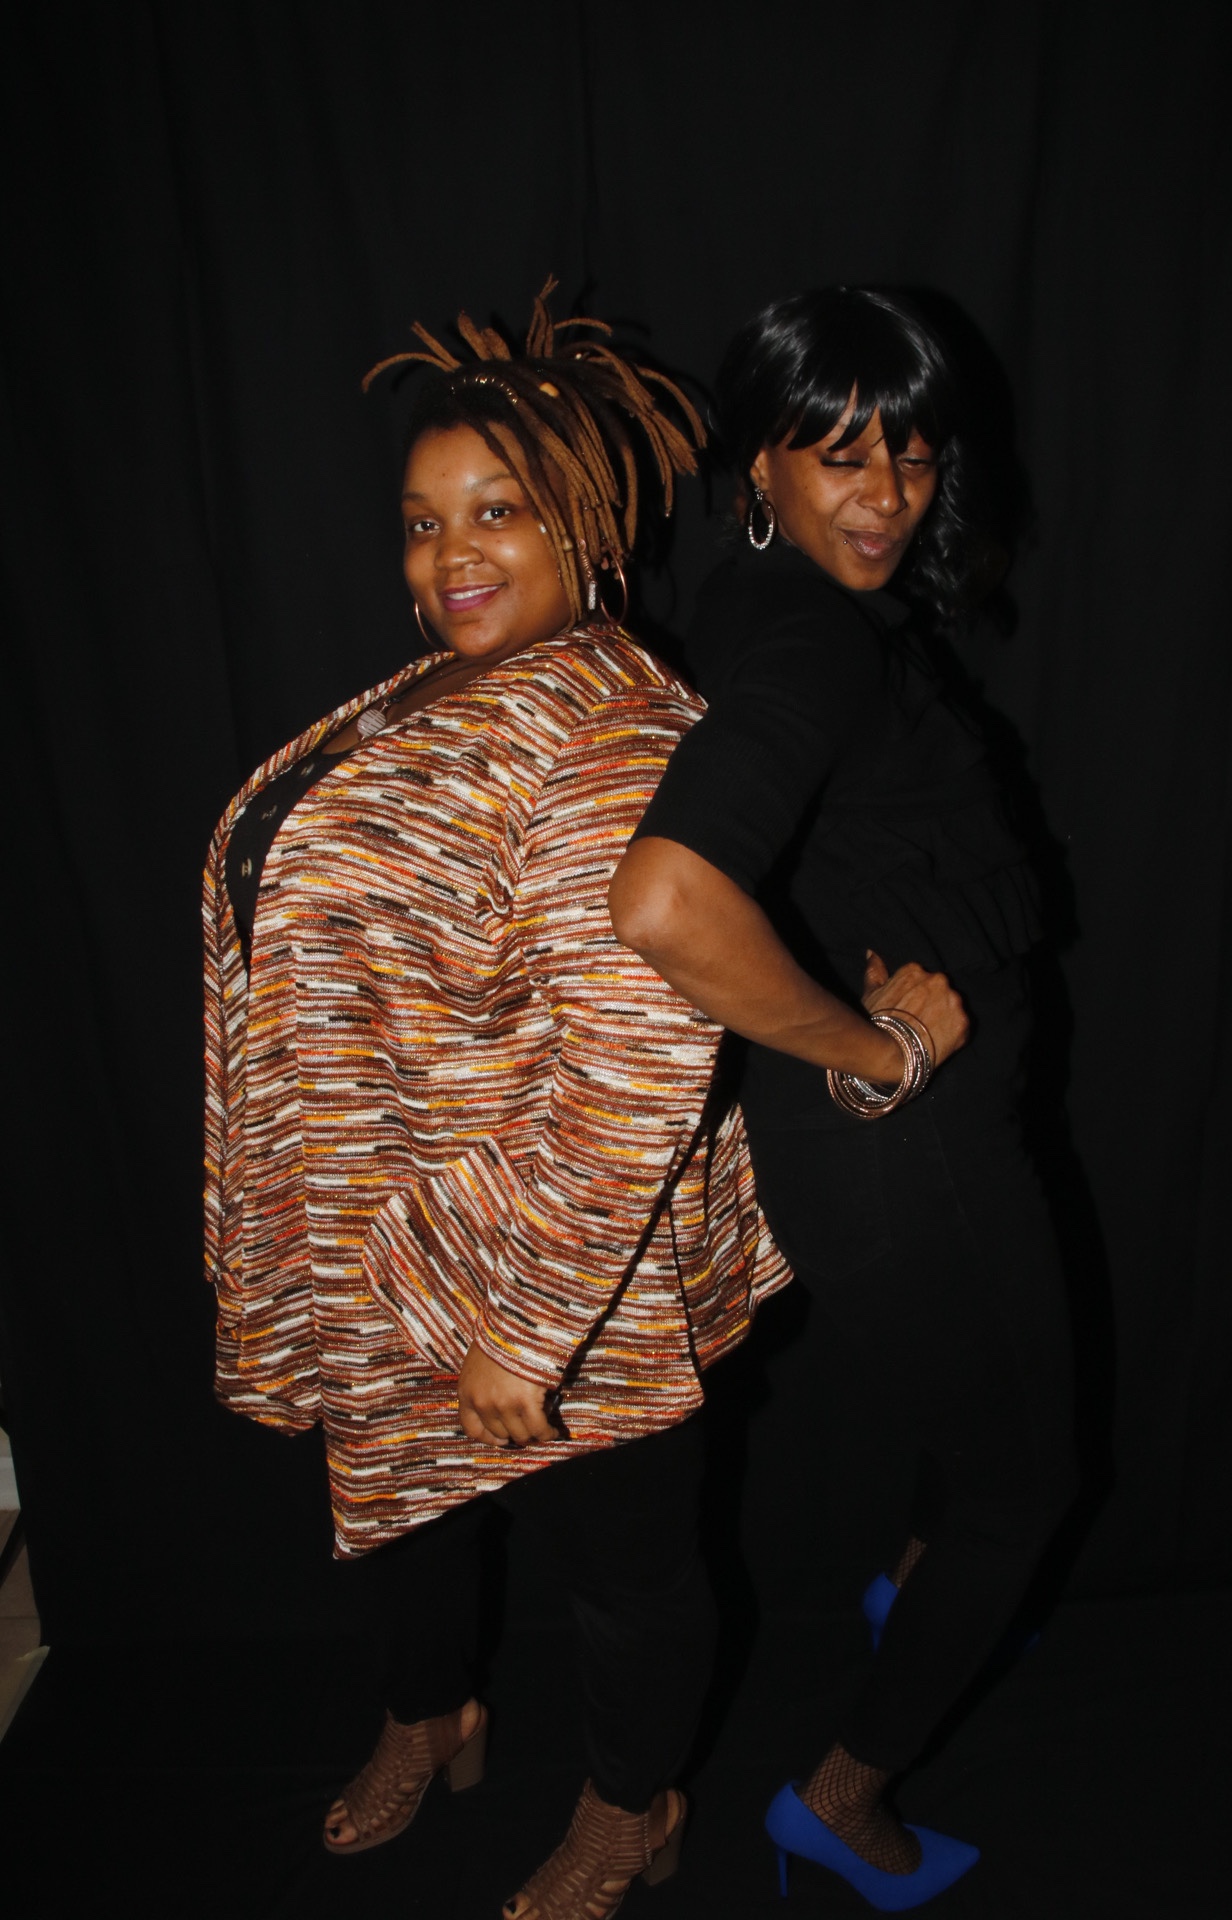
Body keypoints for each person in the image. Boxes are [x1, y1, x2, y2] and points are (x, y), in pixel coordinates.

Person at [201, 281, 787, 1919]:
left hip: (562, 1254)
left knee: (626, 1566)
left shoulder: (614, 738)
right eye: (422, 520)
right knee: (402, 1516)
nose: (449, 554)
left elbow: (638, 1063)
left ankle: (632, 1805)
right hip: (386, 1214)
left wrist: (529, 1327)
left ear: (587, 522)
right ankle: (433, 1714)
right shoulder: (431, 689)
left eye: (498, 510)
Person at [609, 285, 1077, 1911]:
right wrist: (879, 1055)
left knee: (985, 1427)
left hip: (901, 1156)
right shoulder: (809, 635)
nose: (887, 496)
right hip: (902, 1150)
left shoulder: (771, 595)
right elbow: (666, 900)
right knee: (1028, 1484)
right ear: (760, 463)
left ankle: (912, 1605)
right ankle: (841, 1799)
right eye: (840, 456)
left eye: (915, 456)